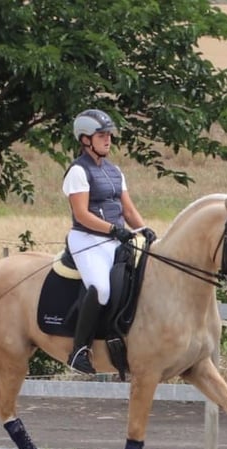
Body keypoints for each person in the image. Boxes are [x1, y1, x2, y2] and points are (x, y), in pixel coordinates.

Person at [63, 109, 157, 375]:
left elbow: (128, 210)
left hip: (116, 239)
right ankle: (79, 350)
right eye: (101, 135)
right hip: (87, 240)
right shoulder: (78, 171)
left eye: (109, 135)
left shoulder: (115, 171)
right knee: (101, 289)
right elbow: (82, 214)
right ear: (85, 139)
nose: (108, 140)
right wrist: (115, 230)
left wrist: (144, 229)